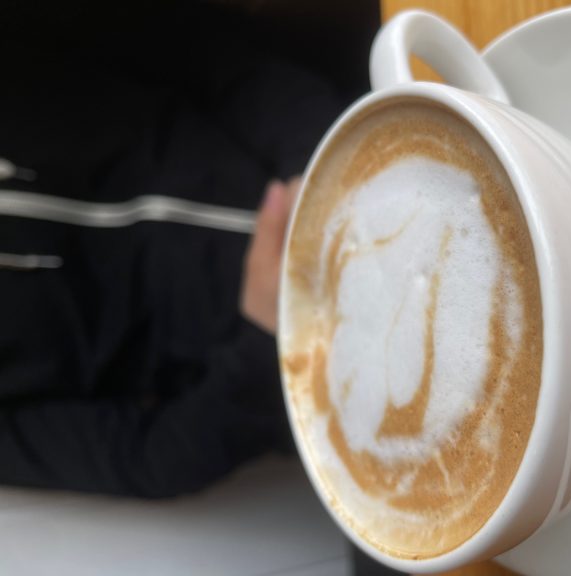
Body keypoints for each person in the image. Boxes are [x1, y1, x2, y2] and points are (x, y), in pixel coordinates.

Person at [0, 2, 344, 497]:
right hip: (318, 358)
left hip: (349, 132)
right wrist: (264, 340)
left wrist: (317, 158)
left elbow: (187, 43)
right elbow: (150, 458)